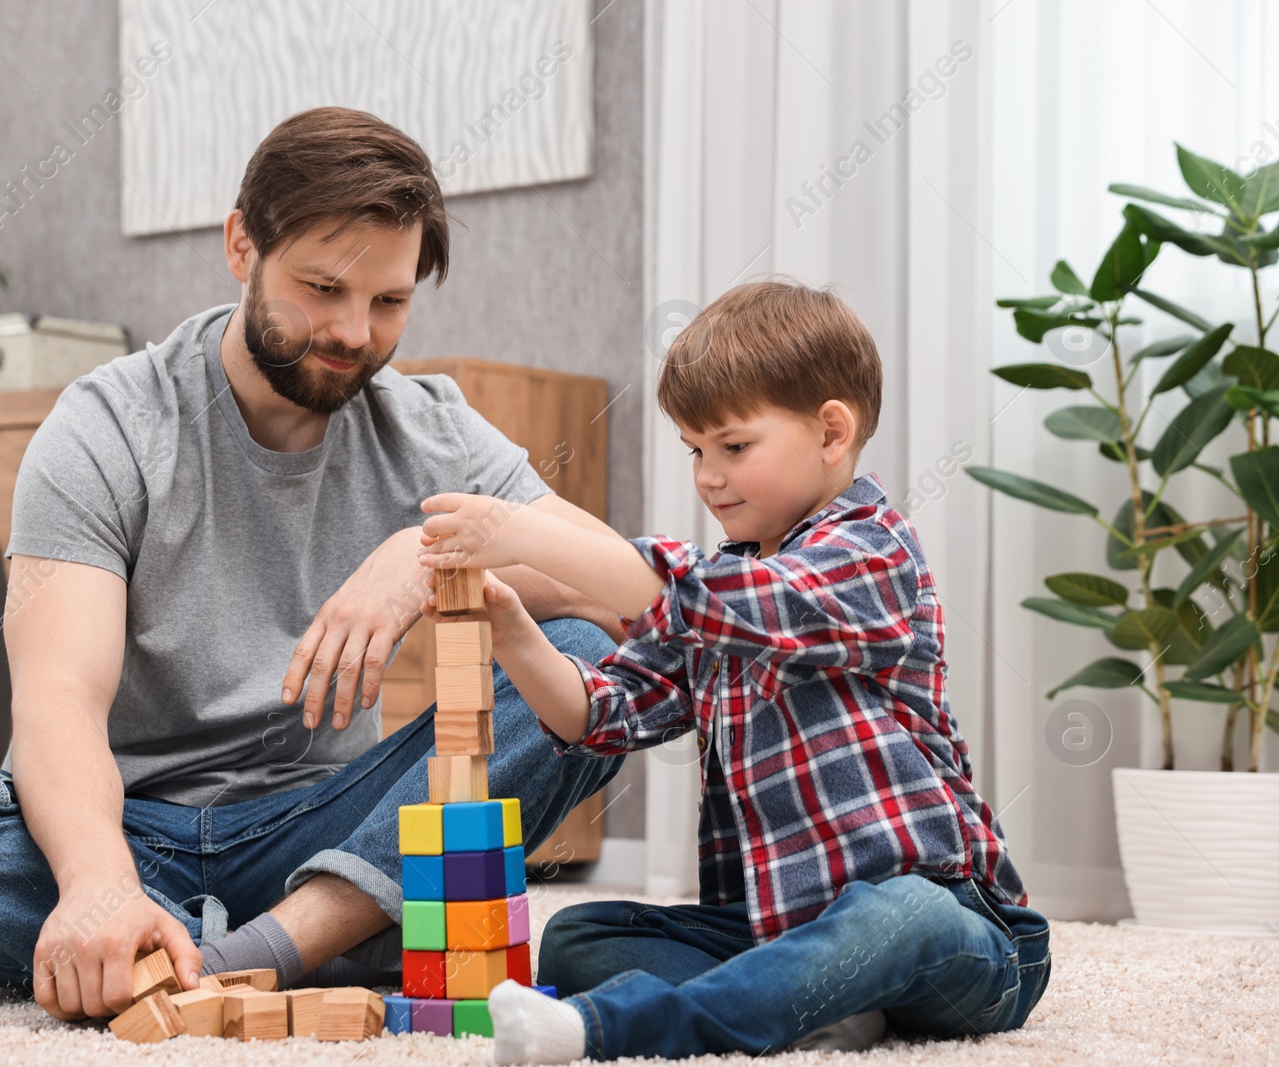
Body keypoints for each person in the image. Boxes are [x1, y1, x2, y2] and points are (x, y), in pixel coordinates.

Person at [0, 106, 624, 1021]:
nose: (355, 332)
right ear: (242, 244)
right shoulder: (108, 426)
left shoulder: (427, 428)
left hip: (325, 826)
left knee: (583, 664)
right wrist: (97, 884)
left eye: (389, 302)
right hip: (122, 828)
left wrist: (427, 552)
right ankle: (267, 932)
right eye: (323, 287)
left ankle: (267, 947)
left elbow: (639, 601)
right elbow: (57, 697)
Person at [416, 279, 1050, 1064]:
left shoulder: (873, 551)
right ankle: (816, 1002)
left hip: (960, 930)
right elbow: (603, 712)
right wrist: (513, 633)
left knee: (900, 914)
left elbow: (731, 602)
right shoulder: (723, 584)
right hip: (781, 922)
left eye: (734, 447)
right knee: (581, 937)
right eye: (695, 450)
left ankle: (618, 1029)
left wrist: (525, 531)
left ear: (831, 431)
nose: (709, 476)